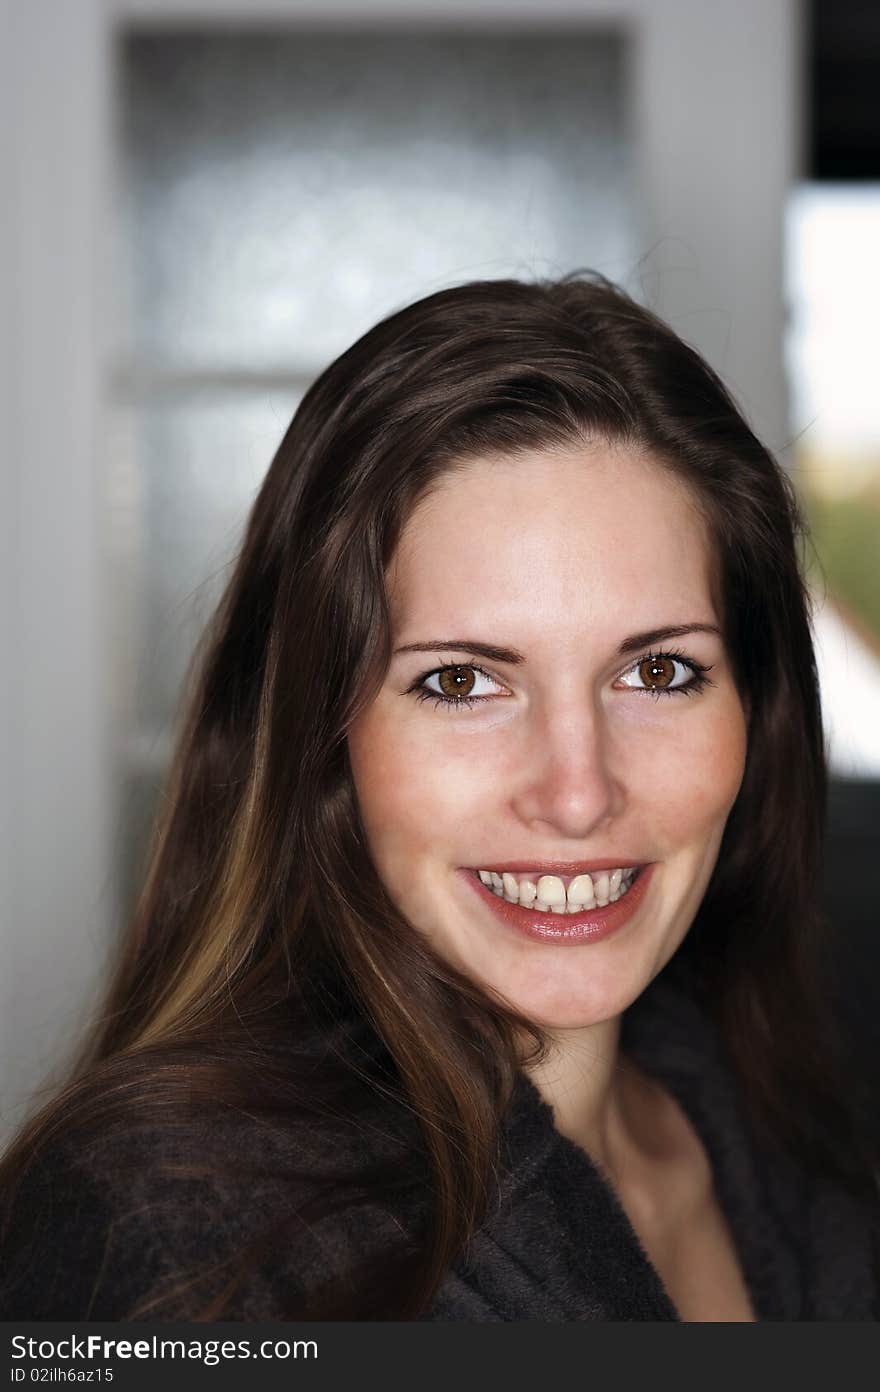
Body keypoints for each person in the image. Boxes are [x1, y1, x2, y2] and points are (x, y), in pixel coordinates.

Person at [0, 272, 877, 1322]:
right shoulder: (167, 1241)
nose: (576, 793)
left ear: (758, 709)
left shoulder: (788, 1123)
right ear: (322, 742)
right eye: (460, 682)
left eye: (657, 673)